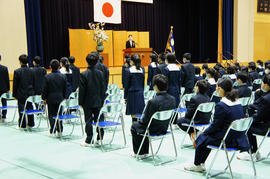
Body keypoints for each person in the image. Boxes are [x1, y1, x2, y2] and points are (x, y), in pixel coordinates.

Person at [184, 78, 249, 172]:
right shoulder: (237, 102)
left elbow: (215, 126)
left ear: (221, 89)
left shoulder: (222, 105)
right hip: (238, 138)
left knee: (202, 137)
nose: (216, 90)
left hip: (226, 139)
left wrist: (204, 131)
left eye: (217, 88)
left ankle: (197, 164)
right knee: (206, 137)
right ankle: (200, 163)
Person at [131, 74, 176, 157]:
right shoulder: (173, 99)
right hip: (164, 128)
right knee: (142, 126)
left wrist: (140, 121)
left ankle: (140, 153)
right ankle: (144, 151)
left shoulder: (153, 101)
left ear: (155, 87)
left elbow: (145, 120)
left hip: (152, 129)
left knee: (135, 126)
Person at [237, 74, 270, 161]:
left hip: (267, 128)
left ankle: (252, 152)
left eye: (262, 82)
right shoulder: (265, 96)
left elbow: (259, 117)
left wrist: (248, 119)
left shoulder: (266, 99)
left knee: (247, 127)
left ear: (266, 85)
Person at [79, 52, 106, 147]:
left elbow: (82, 90)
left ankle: (89, 139)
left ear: (87, 62)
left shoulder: (84, 74)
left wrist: (80, 102)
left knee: (88, 120)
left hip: (88, 101)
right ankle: (100, 137)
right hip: (98, 100)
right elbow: (103, 88)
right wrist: (103, 99)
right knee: (99, 119)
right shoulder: (100, 73)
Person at [176, 80, 211, 144]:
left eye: (195, 86)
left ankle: (193, 133)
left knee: (179, 121)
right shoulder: (208, 98)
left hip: (196, 121)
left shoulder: (194, 98)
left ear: (197, 88)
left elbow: (188, 114)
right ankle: (197, 132)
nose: (194, 87)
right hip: (206, 120)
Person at [42, 59, 67, 136]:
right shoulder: (63, 76)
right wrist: (65, 97)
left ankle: (52, 130)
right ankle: (60, 130)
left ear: (50, 67)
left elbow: (45, 89)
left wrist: (44, 98)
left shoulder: (47, 77)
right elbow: (65, 88)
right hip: (60, 98)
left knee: (51, 115)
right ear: (59, 67)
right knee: (59, 114)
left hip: (50, 98)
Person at [13, 54, 35, 128]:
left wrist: (14, 94)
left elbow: (15, 85)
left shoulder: (17, 71)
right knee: (30, 107)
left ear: (20, 62)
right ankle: (31, 123)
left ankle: (22, 124)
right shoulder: (32, 71)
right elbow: (34, 82)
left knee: (21, 109)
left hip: (21, 93)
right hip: (30, 93)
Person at [125, 54, 145, 122]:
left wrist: (125, 97)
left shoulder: (128, 70)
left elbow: (126, 85)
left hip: (132, 94)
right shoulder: (142, 69)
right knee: (139, 113)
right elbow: (142, 83)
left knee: (133, 114)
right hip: (140, 93)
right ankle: (138, 129)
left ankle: (134, 130)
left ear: (132, 61)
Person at [0, 55, 10, 120]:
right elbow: (7, 79)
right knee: (4, 101)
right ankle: (4, 115)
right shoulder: (4, 68)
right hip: (3, 88)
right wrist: (8, 88)